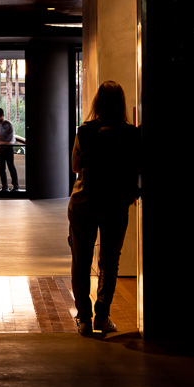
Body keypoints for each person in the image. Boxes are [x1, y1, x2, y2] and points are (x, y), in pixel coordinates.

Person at [68, 80, 141, 336]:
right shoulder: (132, 134)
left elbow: (75, 167)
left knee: (81, 261)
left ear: (97, 102)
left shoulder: (85, 131)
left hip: (84, 201)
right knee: (110, 261)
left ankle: (84, 319)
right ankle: (102, 316)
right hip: (115, 203)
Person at [0, 107, 20, 192]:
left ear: (1, 115)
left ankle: (15, 187)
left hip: (8, 149)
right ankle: (5, 187)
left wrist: (1, 147)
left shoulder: (9, 124)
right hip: (1, 149)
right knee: (1, 169)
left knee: (11, 167)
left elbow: (11, 139)